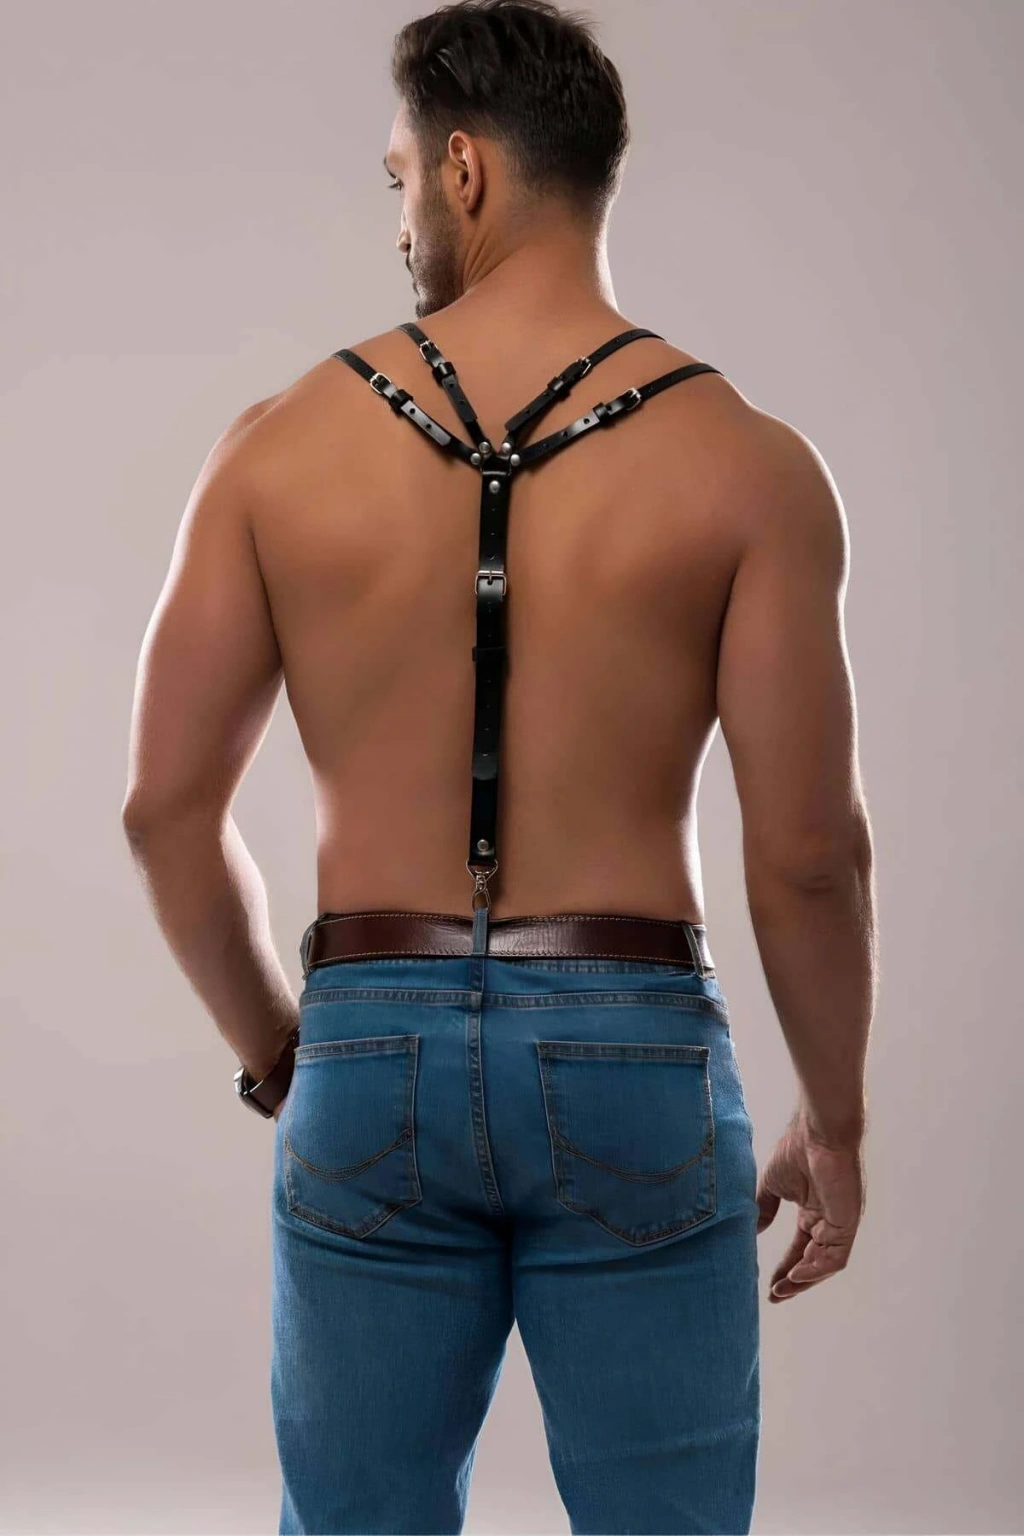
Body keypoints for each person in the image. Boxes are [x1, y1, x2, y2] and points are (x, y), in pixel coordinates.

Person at [121, 2, 875, 1531]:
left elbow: (164, 812)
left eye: (399, 176)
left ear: (464, 169)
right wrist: (838, 1120)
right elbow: (810, 854)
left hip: (368, 1038)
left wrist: (288, 1057)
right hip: (636, 1046)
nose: (398, 215)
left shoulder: (276, 448)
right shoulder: (749, 464)